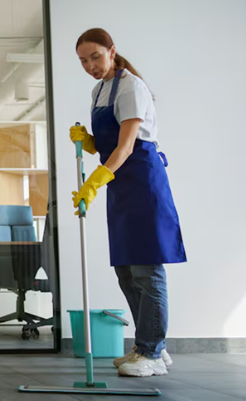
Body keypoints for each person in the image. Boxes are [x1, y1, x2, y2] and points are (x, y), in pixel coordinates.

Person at [70, 28, 186, 378]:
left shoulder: (131, 85)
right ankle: (147, 346)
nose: (90, 65)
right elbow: (109, 142)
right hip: (120, 182)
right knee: (125, 270)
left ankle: (152, 351)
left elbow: (127, 145)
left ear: (112, 51)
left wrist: (94, 181)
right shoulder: (99, 89)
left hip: (141, 180)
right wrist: (88, 142)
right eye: (83, 61)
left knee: (147, 270)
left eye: (95, 56)